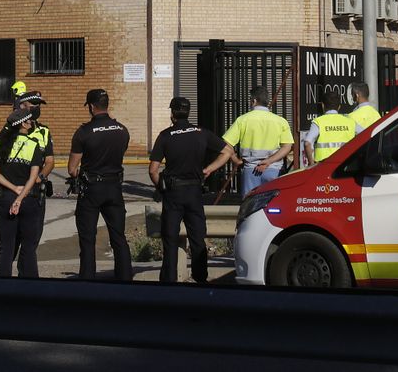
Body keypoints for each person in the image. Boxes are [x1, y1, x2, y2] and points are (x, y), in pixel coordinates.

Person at [147, 96, 226, 284]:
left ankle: (169, 281)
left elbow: (153, 170)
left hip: (173, 193)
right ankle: (200, 279)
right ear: (188, 112)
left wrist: (161, 188)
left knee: (170, 239)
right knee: (198, 238)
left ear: (172, 113)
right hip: (194, 192)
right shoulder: (201, 132)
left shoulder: (165, 135)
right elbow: (227, 152)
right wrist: (208, 169)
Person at [68, 88, 132, 281]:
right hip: (114, 188)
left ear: (91, 106)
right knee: (118, 236)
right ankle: (125, 278)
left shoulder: (84, 132)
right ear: (106, 105)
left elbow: (72, 169)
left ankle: (87, 280)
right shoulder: (122, 130)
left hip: (92, 189)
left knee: (88, 238)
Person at [0, 106, 44, 278]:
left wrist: (13, 189)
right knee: (28, 247)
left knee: (6, 247)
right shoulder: (33, 145)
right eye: (29, 121)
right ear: (23, 124)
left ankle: (1, 286)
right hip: (28, 199)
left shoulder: (0, 144)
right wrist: (20, 197)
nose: (32, 123)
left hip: (5, 198)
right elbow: (33, 178)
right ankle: (30, 286)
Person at [214, 86, 295, 198]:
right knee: (272, 203)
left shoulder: (243, 120)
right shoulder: (281, 121)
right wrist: (268, 161)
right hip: (274, 168)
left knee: (250, 203)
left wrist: (235, 160)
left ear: (254, 101)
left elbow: (226, 143)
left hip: (250, 169)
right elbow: (287, 147)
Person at [301, 89, 355, 166]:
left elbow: (307, 143)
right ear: (339, 107)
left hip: (324, 166)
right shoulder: (350, 122)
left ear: (323, 105)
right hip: (346, 165)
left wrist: (311, 163)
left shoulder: (318, 122)